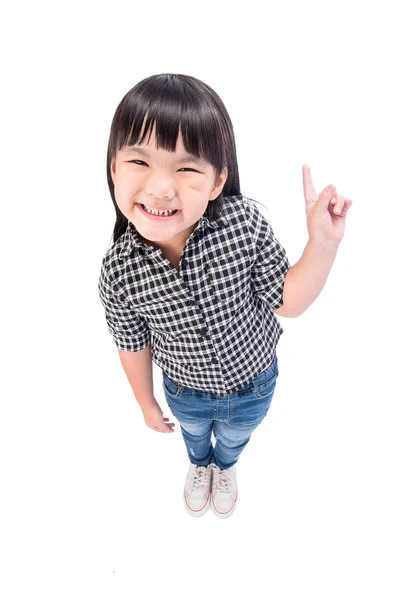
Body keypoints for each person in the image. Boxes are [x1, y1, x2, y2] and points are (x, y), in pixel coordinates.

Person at [98, 73, 353, 519]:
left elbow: (288, 302)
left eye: (186, 167)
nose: (160, 187)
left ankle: (227, 464)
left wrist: (322, 244)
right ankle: (199, 464)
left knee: (235, 436)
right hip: (185, 390)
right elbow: (131, 343)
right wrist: (145, 401)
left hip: (254, 383)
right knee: (194, 436)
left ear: (217, 181)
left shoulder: (244, 225)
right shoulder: (118, 270)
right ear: (114, 167)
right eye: (140, 162)